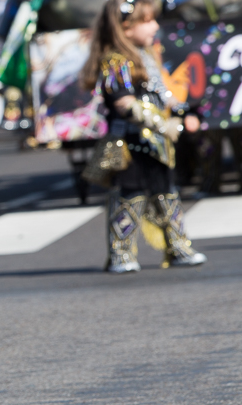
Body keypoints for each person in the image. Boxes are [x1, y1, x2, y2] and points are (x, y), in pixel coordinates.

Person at [79, 0, 206, 273]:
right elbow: (123, 103)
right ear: (126, 27)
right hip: (128, 143)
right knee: (129, 196)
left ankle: (178, 247)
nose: (155, 26)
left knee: (167, 193)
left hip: (156, 144)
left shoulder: (145, 55)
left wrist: (186, 113)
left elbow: (164, 94)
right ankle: (121, 253)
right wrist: (164, 125)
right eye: (147, 21)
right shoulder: (115, 60)